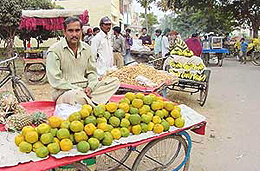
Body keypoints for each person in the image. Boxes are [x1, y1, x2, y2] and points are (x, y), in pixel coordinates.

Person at [46, 16, 120, 106]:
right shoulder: (54, 51)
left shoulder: (87, 49)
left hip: (86, 89)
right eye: (70, 31)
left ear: (81, 31)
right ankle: (95, 105)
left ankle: (89, 101)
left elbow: (91, 72)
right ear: (64, 32)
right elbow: (56, 81)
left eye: (77, 30)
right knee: (76, 96)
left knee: (114, 82)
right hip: (66, 92)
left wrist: (90, 86)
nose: (74, 34)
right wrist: (77, 89)